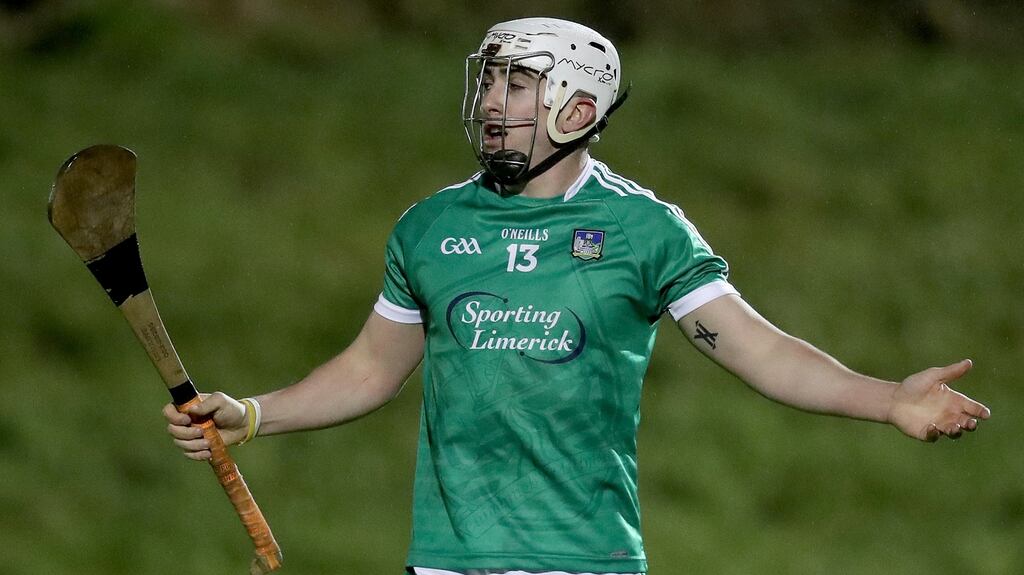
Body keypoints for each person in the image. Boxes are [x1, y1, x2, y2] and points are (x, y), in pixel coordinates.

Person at [164, 17, 991, 575]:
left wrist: (887, 399)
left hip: (584, 556)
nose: (491, 102)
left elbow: (759, 348)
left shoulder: (644, 229)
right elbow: (372, 368)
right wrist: (255, 412)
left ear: (579, 105)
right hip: (447, 559)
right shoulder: (429, 228)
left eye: (516, 85)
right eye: (489, 83)